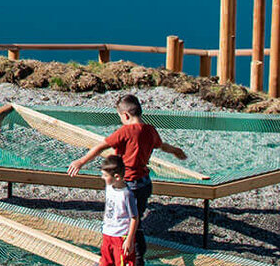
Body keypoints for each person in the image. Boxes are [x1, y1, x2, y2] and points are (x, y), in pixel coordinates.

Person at [66, 92, 190, 251]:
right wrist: (176, 151)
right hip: (144, 183)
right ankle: (130, 254)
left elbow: (100, 147)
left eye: (120, 117)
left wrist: (81, 161)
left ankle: (133, 258)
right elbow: (162, 146)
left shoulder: (125, 131)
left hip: (128, 184)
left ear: (125, 115)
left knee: (127, 223)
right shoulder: (150, 130)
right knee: (136, 219)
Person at [89, 149, 144, 266]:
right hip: (108, 234)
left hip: (121, 237)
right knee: (103, 265)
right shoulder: (110, 187)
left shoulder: (127, 195)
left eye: (105, 175)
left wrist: (129, 240)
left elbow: (134, 218)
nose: (102, 178)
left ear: (117, 177)